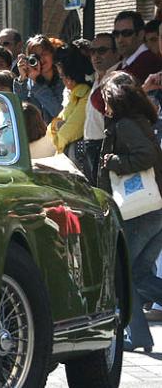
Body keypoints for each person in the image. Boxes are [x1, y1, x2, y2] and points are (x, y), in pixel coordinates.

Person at [97, 73, 162, 353]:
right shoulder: (139, 121)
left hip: (142, 211)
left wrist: (113, 161)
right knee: (138, 273)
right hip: (153, 209)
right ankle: (139, 336)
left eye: (105, 99)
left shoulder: (125, 125)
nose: (103, 106)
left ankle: (137, 336)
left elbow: (146, 156)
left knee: (121, 272)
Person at [81, 33, 121, 184]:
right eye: (93, 51)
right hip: (91, 146)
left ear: (116, 53)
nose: (96, 55)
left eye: (102, 50)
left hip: (106, 146)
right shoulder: (97, 77)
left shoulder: (117, 77)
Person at [47, 46, 94, 162]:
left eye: (62, 76)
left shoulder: (85, 95)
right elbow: (52, 127)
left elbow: (65, 134)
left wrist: (58, 128)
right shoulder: (73, 94)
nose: (63, 80)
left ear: (70, 77)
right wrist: (58, 126)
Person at [14, 35, 66, 123]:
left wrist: (36, 83)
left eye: (44, 54)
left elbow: (59, 112)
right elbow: (19, 112)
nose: (41, 60)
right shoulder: (28, 81)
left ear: (52, 55)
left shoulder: (63, 79)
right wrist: (22, 78)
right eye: (35, 57)